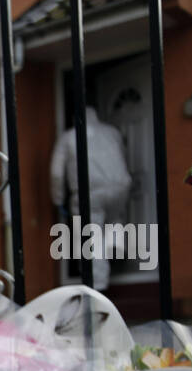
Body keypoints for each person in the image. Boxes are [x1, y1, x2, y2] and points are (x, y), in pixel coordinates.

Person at [49, 107, 133, 292]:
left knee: (91, 235)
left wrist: (58, 199)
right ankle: (116, 253)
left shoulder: (68, 137)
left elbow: (56, 173)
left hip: (90, 191)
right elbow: (123, 156)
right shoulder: (112, 132)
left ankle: (99, 286)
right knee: (113, 221)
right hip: (120, 186)